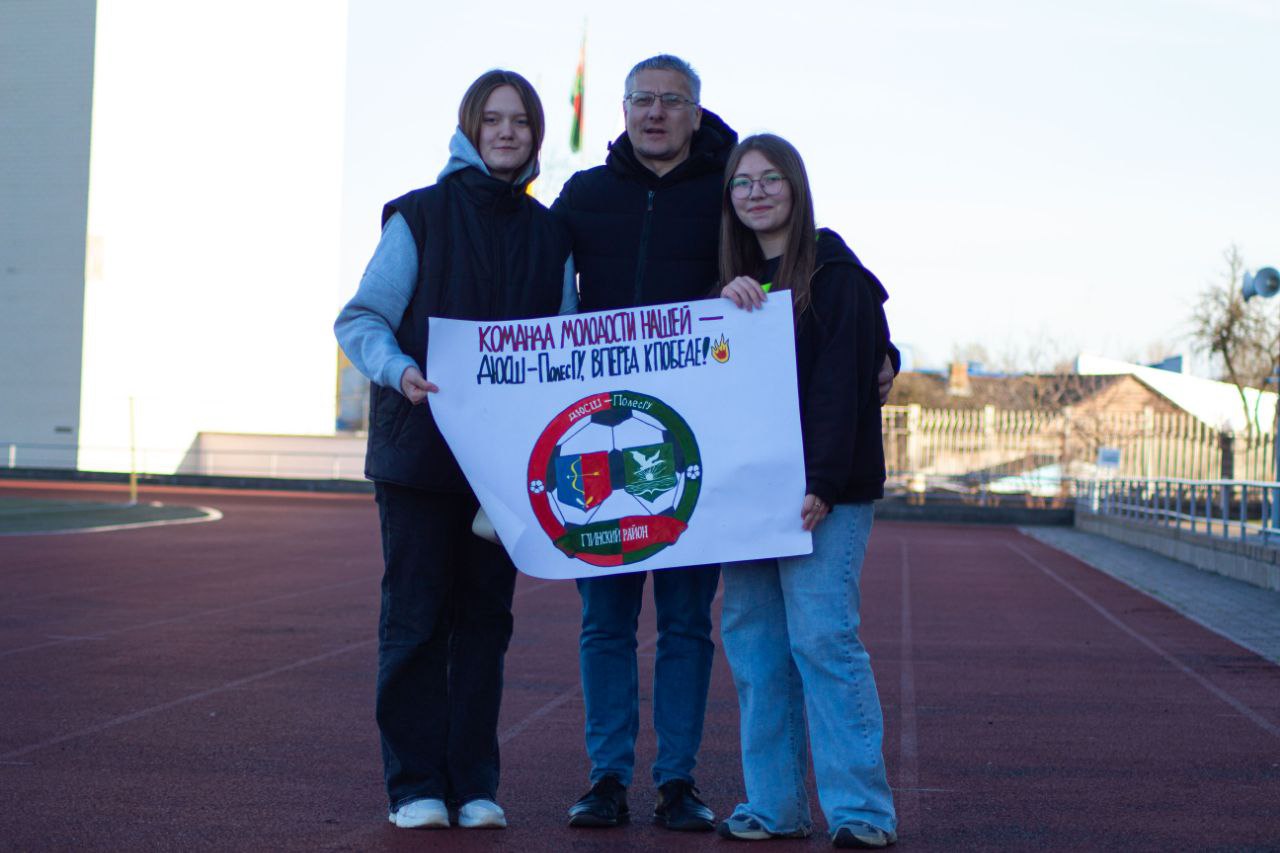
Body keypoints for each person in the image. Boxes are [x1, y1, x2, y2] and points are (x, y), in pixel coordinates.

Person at [334, 70, 572, 832]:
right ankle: (414, 786)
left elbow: (563, 351)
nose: (506, 132)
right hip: (419, 456)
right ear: (469, 130)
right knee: (414, 621)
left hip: (504, 471)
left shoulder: (552, 236)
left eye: (520, 121)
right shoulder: (419, 216)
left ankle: (474, 783)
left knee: (484, 624)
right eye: (492, 119)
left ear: (535, 136)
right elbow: (360, 319)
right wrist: (398, 369)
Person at [550, 54, 733, 832]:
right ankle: (607, 777)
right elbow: (529, 283)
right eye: (643, 99)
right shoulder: (582, 195)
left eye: (672, 100)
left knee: (687, 623)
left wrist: (879, 345)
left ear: (696, 113)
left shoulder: (730, 194)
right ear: (623, 109)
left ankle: (678, 781)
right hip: (597, 443)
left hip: (689, 449)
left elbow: (796, 258)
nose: (656, 112)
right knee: (605, 623)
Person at [715, 134, 899, 849]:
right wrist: (720, 308)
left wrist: (820, 481)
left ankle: (861, 811)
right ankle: (775, 805)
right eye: (742, 182)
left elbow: (839, 386)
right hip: (749, 495)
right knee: (755, 648)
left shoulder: (836, 275)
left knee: (824, 641)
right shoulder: (730, 283)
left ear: (796, 187)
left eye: (770, 179)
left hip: (826, 492)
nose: (756, 192)